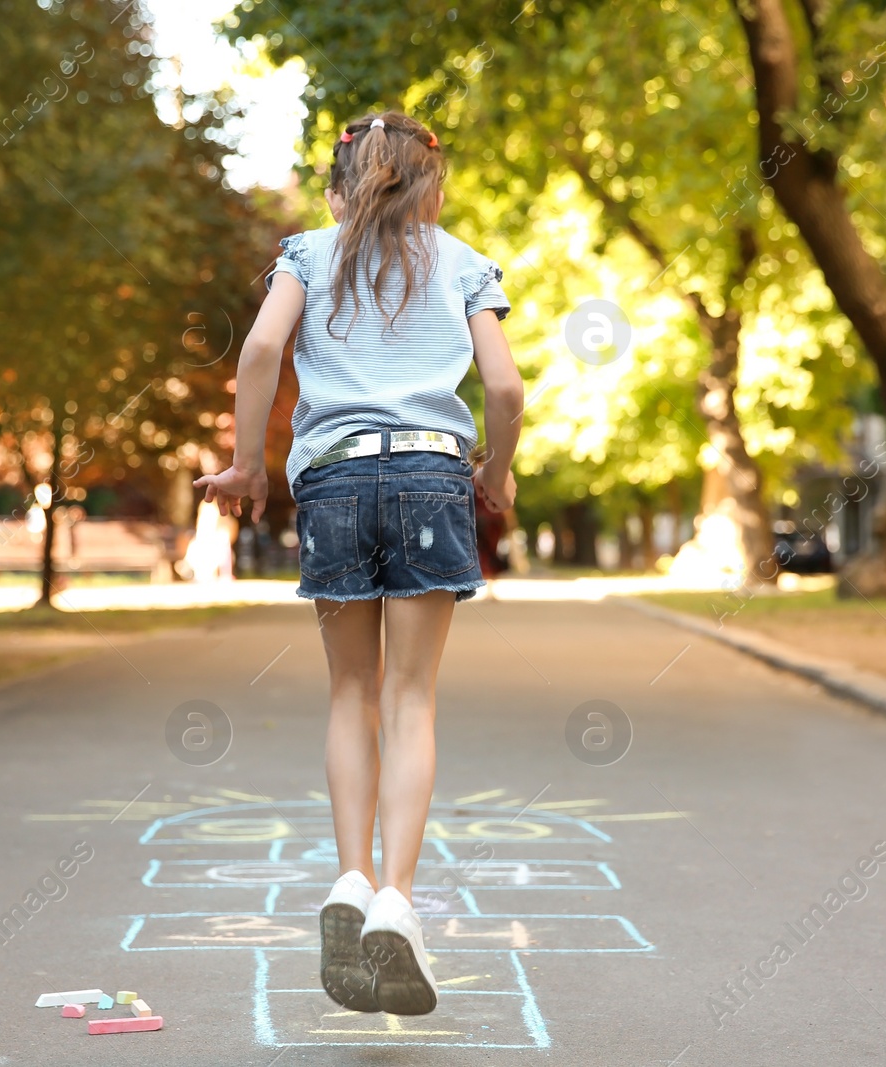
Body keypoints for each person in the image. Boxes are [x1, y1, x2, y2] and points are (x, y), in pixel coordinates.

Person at [193, 110, 522, 1016]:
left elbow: (261, 349)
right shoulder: (465, 262)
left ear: (340, 189)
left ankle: (348, 877)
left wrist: (250, 464)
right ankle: (396, 900)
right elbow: (503, 385)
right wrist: (496, 469)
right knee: (411, 697)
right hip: (427, 471)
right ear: (435, 185)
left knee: (352, 693)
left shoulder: (305, 253)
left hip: (334, 479)